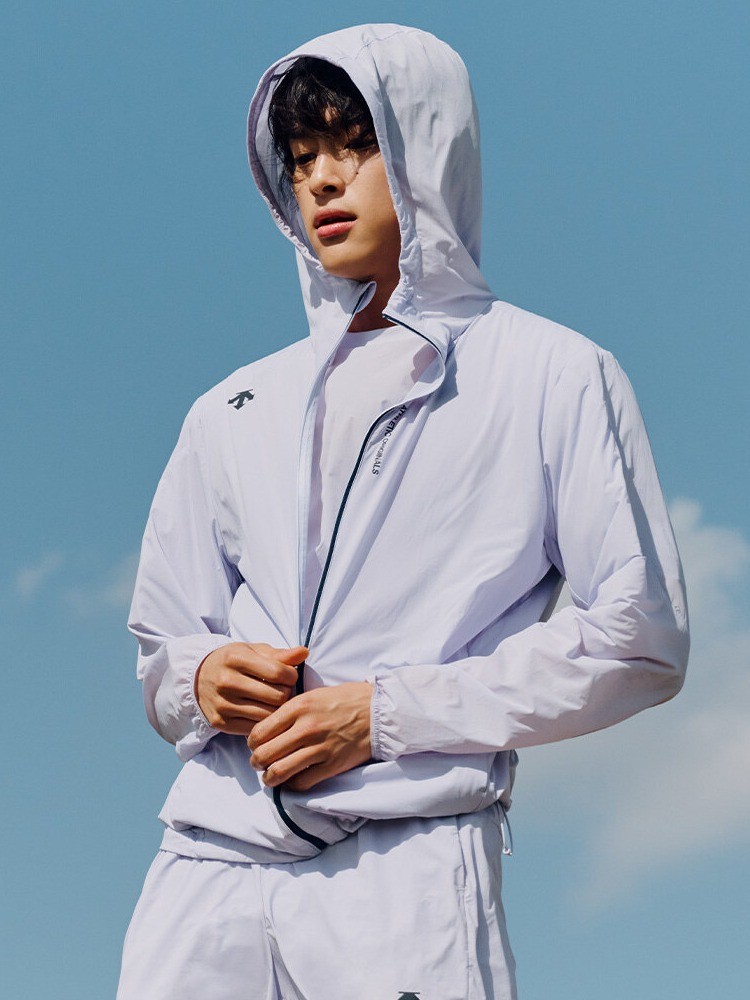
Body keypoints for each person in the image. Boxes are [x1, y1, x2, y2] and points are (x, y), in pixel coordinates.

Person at [118, 24, 689, 1000]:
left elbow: (640, 640)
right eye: (302, 158)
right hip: (205, 861)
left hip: (407, 862)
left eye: (356, 144)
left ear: (428, 149)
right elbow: (162, 648)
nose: (322, 181)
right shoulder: (231, 406)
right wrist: (203, 676)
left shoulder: (552, 372)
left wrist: (384, 714)